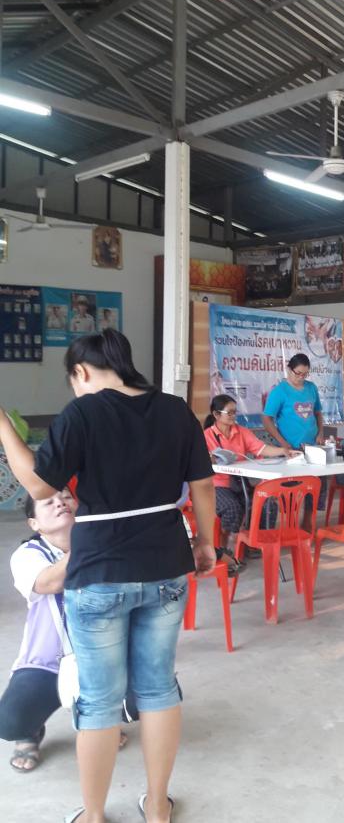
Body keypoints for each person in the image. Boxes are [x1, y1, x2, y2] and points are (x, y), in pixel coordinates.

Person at [0, 329, 216, 823]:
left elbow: (39, 484)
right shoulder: (174, 410)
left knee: (97, 700)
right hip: (166, 564)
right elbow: (203, 484)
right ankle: (157, 806)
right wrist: (205, 542)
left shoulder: (82, 412)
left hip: (98, 571)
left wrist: (3, 426)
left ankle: (94, 815)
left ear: (80, 372)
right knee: (159, 689)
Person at [0, 490, 131, 775]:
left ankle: (97, 721)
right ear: (34, 523)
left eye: (66, 497)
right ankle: (30, 733)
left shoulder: (105, 543)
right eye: (48, 502)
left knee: (143, 695)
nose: (60, 502)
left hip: (101, 654)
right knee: (10, 721)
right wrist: (87, 542)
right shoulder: (28, 554)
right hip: (48, 661)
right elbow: (49, 583)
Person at [203, 395, 297, 546]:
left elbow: (261, 448)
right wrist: (211, 459)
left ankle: (256, 544)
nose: (234, 416)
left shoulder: (241, 431)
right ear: (216, 414)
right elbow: (199, 461)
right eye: (230, 413)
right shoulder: (206, 436)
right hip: (218, 485)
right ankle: (225, 546)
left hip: (240, 484)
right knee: (232, 507)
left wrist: (284, 451)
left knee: (268, 504)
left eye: (235, 412)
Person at [262, 353, 324, 449]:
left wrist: (320, 433)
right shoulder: (279, 391)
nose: (301, 377)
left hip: (313, 445)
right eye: (298, 373)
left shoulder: (311, 387)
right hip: (290, 448)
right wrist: (282, 442)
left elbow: (318, 413)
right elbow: (266, 419)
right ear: (289, 369)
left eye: (305, 374)